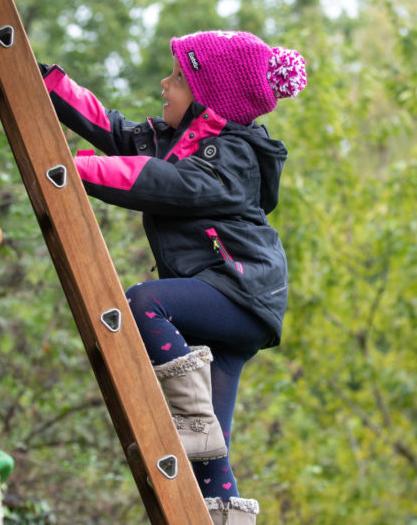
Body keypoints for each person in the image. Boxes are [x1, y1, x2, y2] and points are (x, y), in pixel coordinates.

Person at [39, 30, 306, 524]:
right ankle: (223, 515)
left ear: (209, 102)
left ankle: (192, 423)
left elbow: (162, 183)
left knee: (145, 303)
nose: (165, 85)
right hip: (228, 305)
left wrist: (72, 168)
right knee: (205, 463)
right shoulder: (178, 140)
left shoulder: (230, 159)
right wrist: (49, 86)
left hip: (239, 291)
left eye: (179, 78)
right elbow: (115, 131)